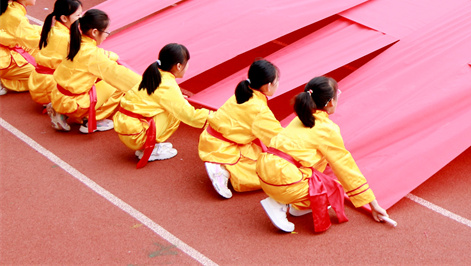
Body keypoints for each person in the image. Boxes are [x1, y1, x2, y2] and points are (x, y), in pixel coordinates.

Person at [256, 76, 392, 233]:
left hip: (263, 169)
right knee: (331, 190)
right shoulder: (327, 129)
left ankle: (297, 205)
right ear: (330, 102)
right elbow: (345, 167)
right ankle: (279, 203)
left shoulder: (300, 117)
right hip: (282, 180)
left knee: (318, 164)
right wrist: (373, 204)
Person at [114, 43, 210, 167]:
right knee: (175, 112)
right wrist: (213, 117)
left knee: (175, 106)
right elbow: (190, 116)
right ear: (179, 66)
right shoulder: (168, 85)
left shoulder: (154, 75)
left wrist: (179, 99)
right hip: (135, 135)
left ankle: (146, 145)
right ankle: (149, 147)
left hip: (125, 127)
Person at [199, 59, 282, 199]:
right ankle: (223, 170)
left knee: (259, 153)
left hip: (211, 138)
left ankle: (221, 165)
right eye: (277, 81)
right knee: (270, 171)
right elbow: (278, 138)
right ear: (268, 86)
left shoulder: (243, 93)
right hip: (223, 148)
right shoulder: (259, 110)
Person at [50, 8, 140, 133]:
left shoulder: (75, 41)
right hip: (74, 103)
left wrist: (112, 56)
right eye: (106, 32)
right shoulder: (93, 55)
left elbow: (97, 56)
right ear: (94, 32)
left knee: (95, 77)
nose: (107, 35)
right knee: (117, 86)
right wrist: (146, 84)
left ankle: (62, 112)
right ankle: (91, 120)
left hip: (57, 95)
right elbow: (118, 74)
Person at [28, 0, 82, 108]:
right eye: (77, 15)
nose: (80, 18)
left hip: (40, 83)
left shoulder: (54, 30)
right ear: (64, 18)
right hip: (48, 86)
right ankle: (60, 108)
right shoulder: (63, 37)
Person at [0, 0, 41, 94]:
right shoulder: (15, 15)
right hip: (4, 58)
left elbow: (27, 32)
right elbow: (34, 39)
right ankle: (4, 81)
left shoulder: (12, 8)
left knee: (42, 54)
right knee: (44, 76)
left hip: (8, 48)